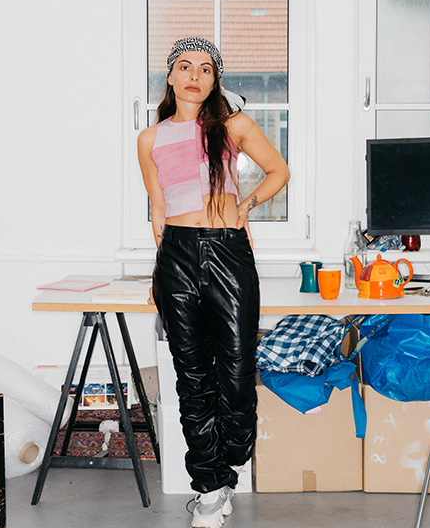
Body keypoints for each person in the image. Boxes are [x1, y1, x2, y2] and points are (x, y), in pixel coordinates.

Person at [137, 37, 290, 528]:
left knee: (239, 369)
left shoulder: (233, 126)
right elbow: (158, 210)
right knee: (192, 377)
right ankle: (209, 487)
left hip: (228, 251)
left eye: (205, 68)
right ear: (170, 77)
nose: (194, 76)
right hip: (177, 255)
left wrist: (245, 206)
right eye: (185, 67)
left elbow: (278, 170)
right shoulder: (149, 138)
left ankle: (227, 462)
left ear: (214, 78)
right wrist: (161, 267)